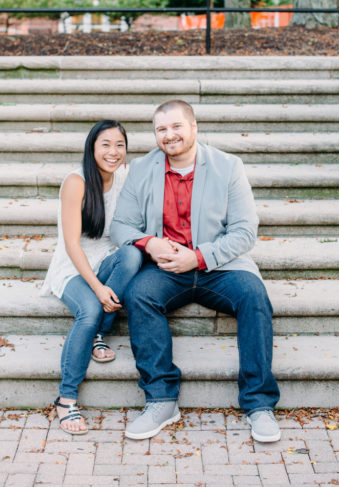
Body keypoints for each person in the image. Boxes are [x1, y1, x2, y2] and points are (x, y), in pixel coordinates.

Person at [109, 99, 280, 443]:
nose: (169, 135)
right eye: (161, 129)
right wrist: (150, 243)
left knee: (254, 296)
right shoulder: (142, 169)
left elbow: (245, 231)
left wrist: (199, 257)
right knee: (139, 295)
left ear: (193, 127)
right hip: (167, 268)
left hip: (219, 266)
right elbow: (120, 226)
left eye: (176, 127)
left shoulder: (228, 166)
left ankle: (259, 404)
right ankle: (161, 399)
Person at [41, 119, 143, 435]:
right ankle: (66, 398)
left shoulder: (125, 177)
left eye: (120, 145)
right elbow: (72, 244)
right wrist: (98, 288)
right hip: (73, 265)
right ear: (92, 148)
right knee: (89, 311)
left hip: (106, 260)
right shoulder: (77, 182)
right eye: (106, 144)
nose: (113, 152)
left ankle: (101, 334)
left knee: (132, 254)